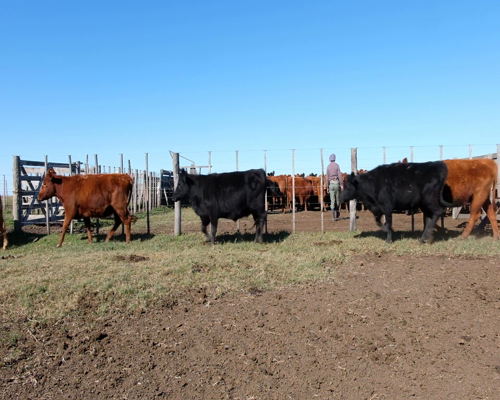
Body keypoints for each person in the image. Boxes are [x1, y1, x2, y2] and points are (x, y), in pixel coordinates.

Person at [326, 153, 343, 221]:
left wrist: (327, 186)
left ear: (330, 159)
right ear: (334, 159)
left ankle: (333, 217)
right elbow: (340, 176)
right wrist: (341, 185)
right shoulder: (337, 166)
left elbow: (327, 177)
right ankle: (337, 212)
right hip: (336, 183)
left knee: (332, 200)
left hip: (331, 184)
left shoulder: (328, 166)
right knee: (337, 199)